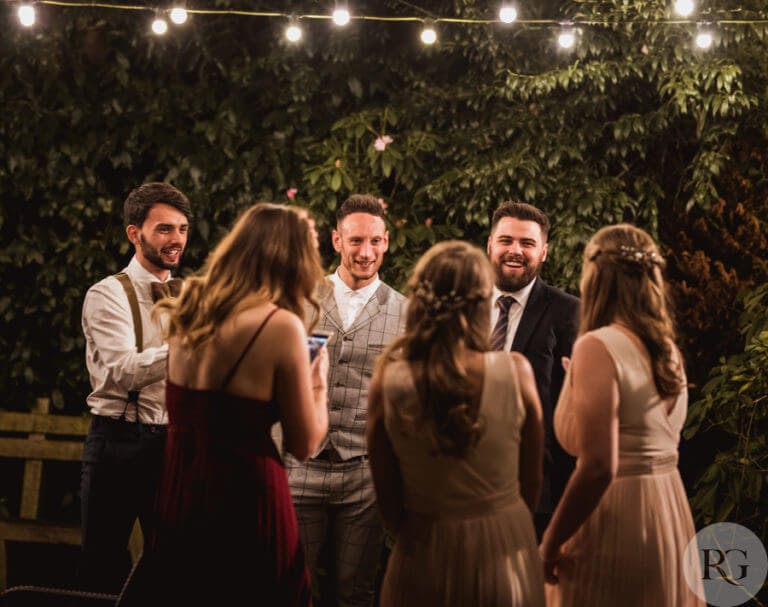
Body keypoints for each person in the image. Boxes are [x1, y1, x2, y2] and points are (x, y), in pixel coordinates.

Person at [118, 203, 329, 605]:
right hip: (247, 499)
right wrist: (317, 379)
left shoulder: (191, 311)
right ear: (294, 259)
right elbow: (304, 444)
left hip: (182, 493)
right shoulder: (280, 325)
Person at [367, 240, 546, 607]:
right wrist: (504, 522)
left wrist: (426, 528)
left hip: (423, 548)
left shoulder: (388, 381)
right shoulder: (516, 372)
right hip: (504, 547)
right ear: (482, 303)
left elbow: (387, 498)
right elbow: (532, 481)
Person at [541, 224, 704, 606]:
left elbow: (599, 466)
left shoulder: (597, 346)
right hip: (668, 512)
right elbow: (640, 420)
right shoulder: (667, 350)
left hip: (620, 517)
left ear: (596, 277)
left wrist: (550, 541)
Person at [285, 194, 407, 607]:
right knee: (294, 588)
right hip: (300, 468)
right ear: (337, 240)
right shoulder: (299, 299)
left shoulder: (406, 313)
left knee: (355, 593)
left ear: (386, 242)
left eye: (375, 241)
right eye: (356, 241)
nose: (366, 252)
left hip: (365, 477)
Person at [79, 182, 192, 593]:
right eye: (164, 229)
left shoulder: (191, 295)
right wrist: (193, 347)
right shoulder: (107, 294)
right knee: (102, 566)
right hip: (119, 442)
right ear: (134, 233)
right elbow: (124, 371)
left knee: (174, 567)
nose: (176, 239)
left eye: (182, 229)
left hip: (176, 442)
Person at [487, 201, 579, 537]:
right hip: (464, 487)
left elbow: (577, 411)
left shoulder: (569, 313)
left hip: (538, 494)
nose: (515, 250)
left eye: (527, 243)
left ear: (543, 252)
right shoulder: (460, 306)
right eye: (506, 240)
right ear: (490, 245)